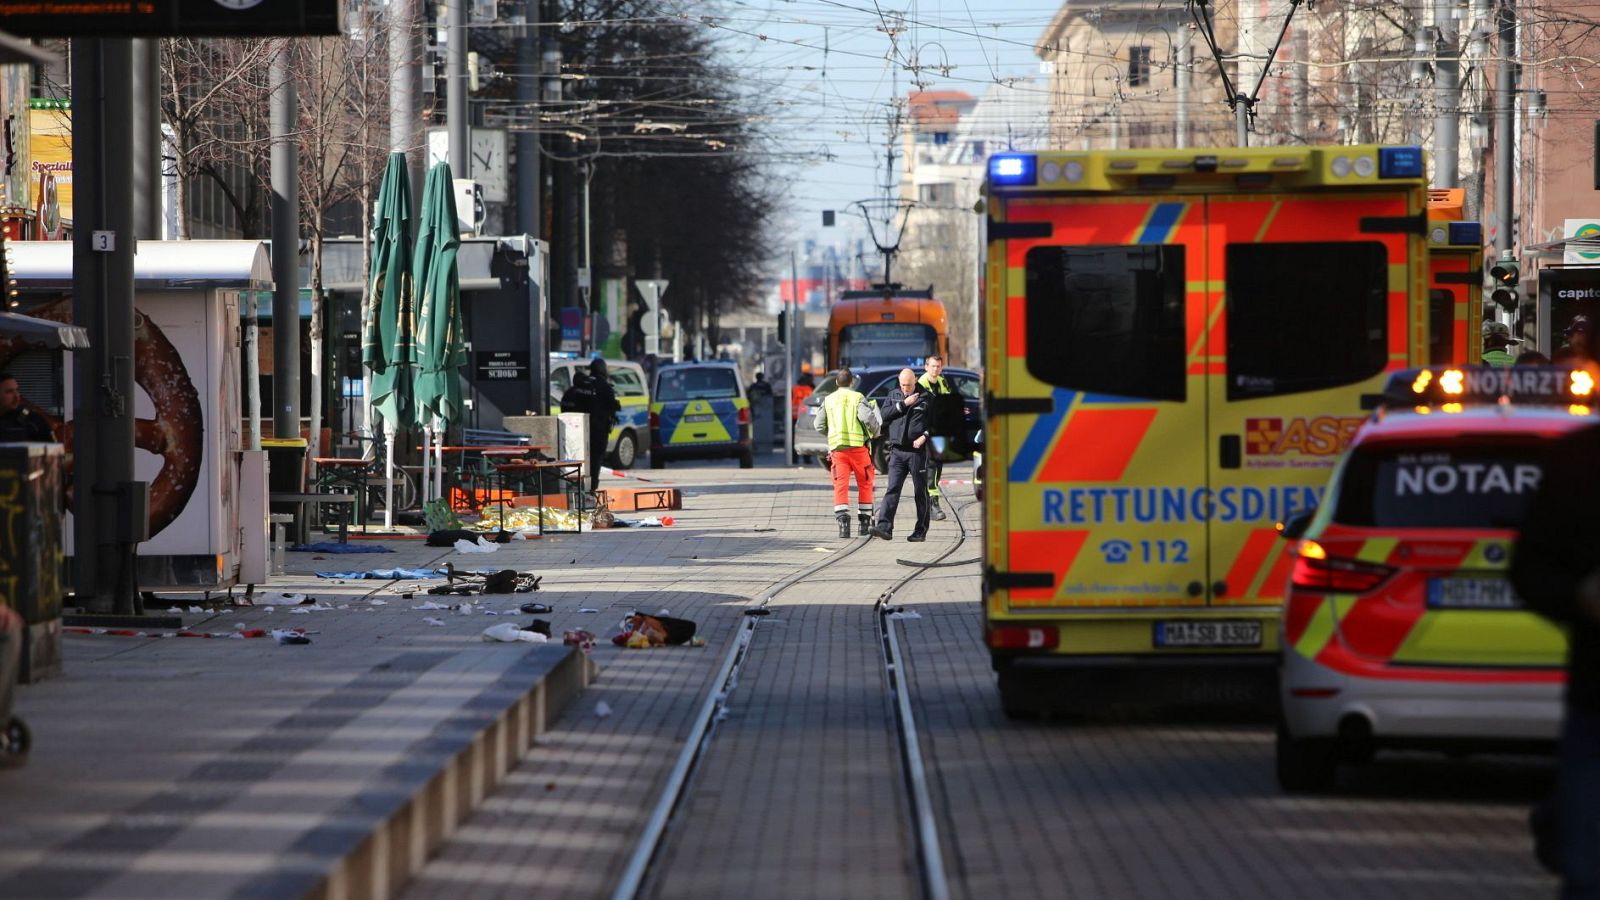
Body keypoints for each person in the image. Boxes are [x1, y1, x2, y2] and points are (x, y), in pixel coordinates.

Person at [1510, 420, 1600, 894]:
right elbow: (1530, 569)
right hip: (1596, 704)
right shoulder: (1578, 461)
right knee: (1587, 874)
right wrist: (1580, 595)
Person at [814, 368, 874, 538]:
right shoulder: (858, 397)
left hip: (838, 451)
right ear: (852, 383)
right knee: (865, 483)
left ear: (836, 382)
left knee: (841, 485)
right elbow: (867, 419)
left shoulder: (829, 400)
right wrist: (874, 433)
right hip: (858, 449)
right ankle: (864, 522)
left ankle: (843, 523)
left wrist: (832, 432)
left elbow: (818, 425)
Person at [872, 368, 930, 542]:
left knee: (920, 492)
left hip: (917, 452)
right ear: (899, 381)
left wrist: (924, 436)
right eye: (903, 385)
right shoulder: (894, 395)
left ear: (916, 381)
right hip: (897, 452)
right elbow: (882, 417)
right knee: (892, 489)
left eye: (909, 385)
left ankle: (920, 530)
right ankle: (884, 527)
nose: (906, 389)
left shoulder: (927, 397)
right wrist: (903, 404)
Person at [561, 358, 621, 492]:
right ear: (603, 370)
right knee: (595, 461)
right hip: (598, 431)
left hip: (576, 432)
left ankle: (576, 489)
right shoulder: (603, 386)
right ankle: (591, 489)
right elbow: (614, 406)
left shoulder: (580, 386)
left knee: (576, 460)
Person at [917, 355, 956, 522]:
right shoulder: (920, 385)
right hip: (926, 432)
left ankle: (928, 502)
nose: (935, 369)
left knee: (937, 468)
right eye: (932, 366)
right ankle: (933, 504)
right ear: (926, 367)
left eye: (938, 366)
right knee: (931, 467)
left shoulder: (942, 381)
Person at [0, 372, 53, 442]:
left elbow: (53, 449)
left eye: (17, 390)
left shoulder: (32, 420)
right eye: (9, 392)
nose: (17, 396)